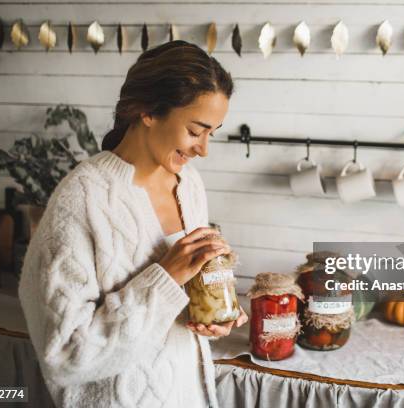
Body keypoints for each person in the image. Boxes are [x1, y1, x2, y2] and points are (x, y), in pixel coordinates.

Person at [18, 40, 247, 408]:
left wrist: (213, 311)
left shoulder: (189, 185)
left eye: (212, 133)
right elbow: (63, 354)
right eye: (195, 130)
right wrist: (166, 278)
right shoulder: (81, 198)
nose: (204, 149)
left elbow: (174, 307)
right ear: (148, 112)